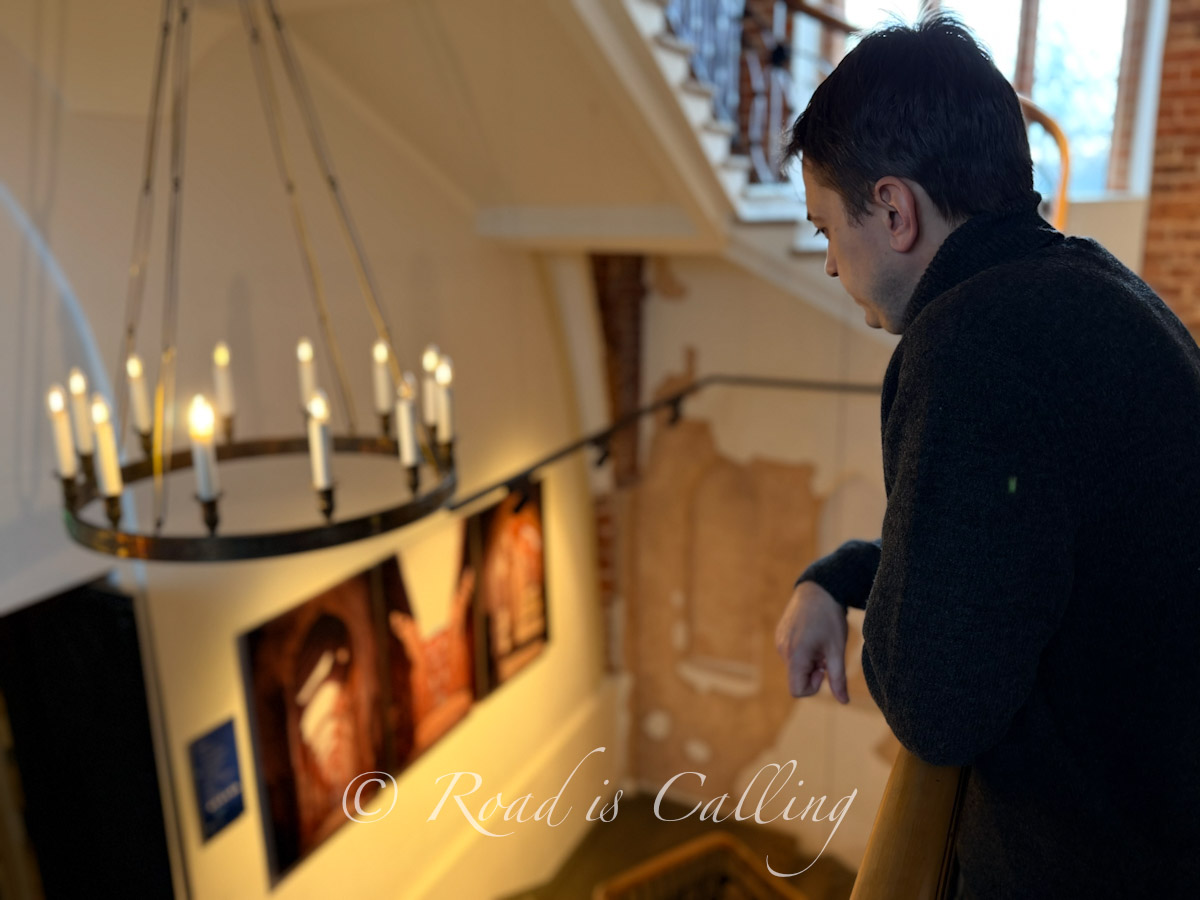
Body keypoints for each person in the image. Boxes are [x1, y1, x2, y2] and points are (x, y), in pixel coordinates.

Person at [773, 13, 1200, 899]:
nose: (826, 267)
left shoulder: (970, 346)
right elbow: (1006, 568)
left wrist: (879, 619)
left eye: (823, 231)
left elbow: (934, 704)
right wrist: (844, 575)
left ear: (893, 209)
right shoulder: (1093, 290)